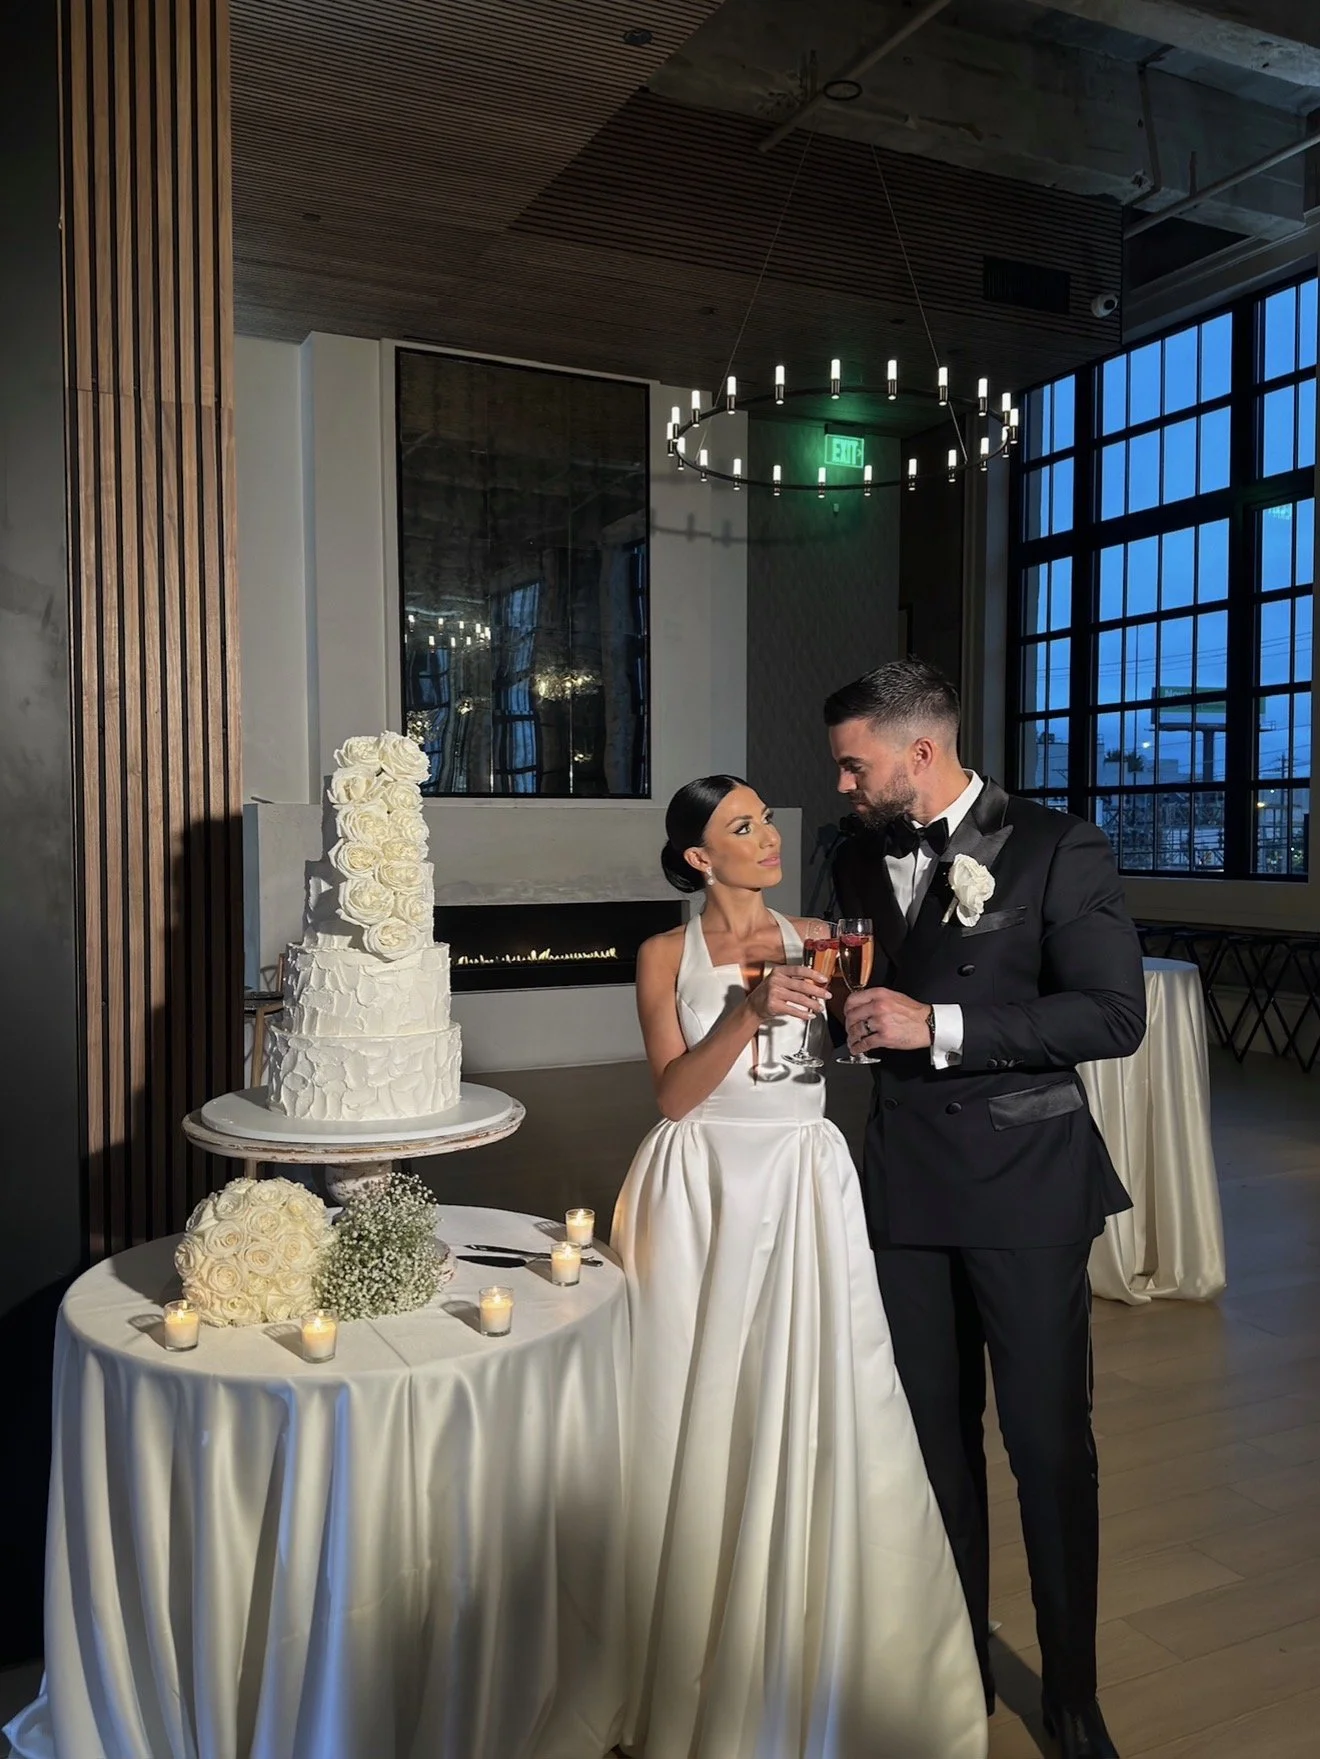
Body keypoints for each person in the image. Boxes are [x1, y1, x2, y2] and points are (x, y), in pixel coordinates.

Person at [611, 775, 987, 1759]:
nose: (767, 835)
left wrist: (863, 1023)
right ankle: (682, 1623)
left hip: (802, 1177)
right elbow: (674, 1098)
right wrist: (744, 1012)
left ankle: (806, 1610)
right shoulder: (662, 954)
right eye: (741, 826)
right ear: (700, 857)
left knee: (816, 1390)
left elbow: (849, 1055)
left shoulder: (824, 929)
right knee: (688, 1402)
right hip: (698, 1193)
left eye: (766, 818)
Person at [824, 659, 1146, 1759]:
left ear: (920, 754)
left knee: (1048, 1445)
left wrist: (943, 1027)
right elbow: (859, 1001)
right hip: (903, 1191)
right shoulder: (853, 853)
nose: (842, 788)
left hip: (1026, 1189)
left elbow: (1110, 1015)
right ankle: (955, 1654)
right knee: (933, 1445)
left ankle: (1071, 1688)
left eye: (853, 766)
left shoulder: (1060, 846)